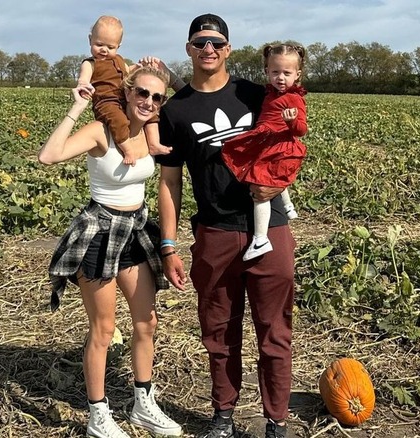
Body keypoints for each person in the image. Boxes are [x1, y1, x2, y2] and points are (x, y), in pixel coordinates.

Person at [155, 13, 296, 438]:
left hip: (269, 229)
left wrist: (283, 181)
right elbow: (170, 181)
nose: (208, 49)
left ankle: (276, 421)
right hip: (214, 232)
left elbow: (291, 140)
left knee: (275, 331)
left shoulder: (256, 94)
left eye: (216, 42)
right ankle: (224, 416)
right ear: (189, 49)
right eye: (200, 43)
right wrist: (168, 243)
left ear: (228, 49)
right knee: (218, 331)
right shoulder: (176, 109)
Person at [38, 65, 183, 438]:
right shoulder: (101, 132)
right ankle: (97, 414)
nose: (148, 102)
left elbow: (192, 102)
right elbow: (49, 156)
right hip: (100, 232)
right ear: (127, 93)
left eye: (156, 97)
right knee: (103, 329)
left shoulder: (151, 134)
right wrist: (76, 107)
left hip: (134, 232)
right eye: (142, 94)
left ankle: (142, 403)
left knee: (146, 322)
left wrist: (167, 72)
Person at [221, 42, 307, 261]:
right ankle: (288, 206)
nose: (280, 77)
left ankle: (260, 239)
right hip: (267, 143)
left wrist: (291, 122)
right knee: (273, 178)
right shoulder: (269, 93)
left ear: (297, 75)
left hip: (279, 146)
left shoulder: (294, 98)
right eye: (275, 72)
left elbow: (302, 130)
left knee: (261, 189)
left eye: (286, 73)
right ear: (267, 71)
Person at [77, 15, 173, 166]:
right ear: (90, 40)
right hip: (106, 102)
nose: (104, 50)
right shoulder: (91, 63)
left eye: (110, 47)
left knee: (152, 115)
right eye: (99, 44)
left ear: (118, 46)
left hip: (122, 96)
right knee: (119, 121)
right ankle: (128, 150)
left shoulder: (119, 60)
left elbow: (128, 70)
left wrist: (139, 67)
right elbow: (84, 78)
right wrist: (83, 85)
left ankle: (154, 143)